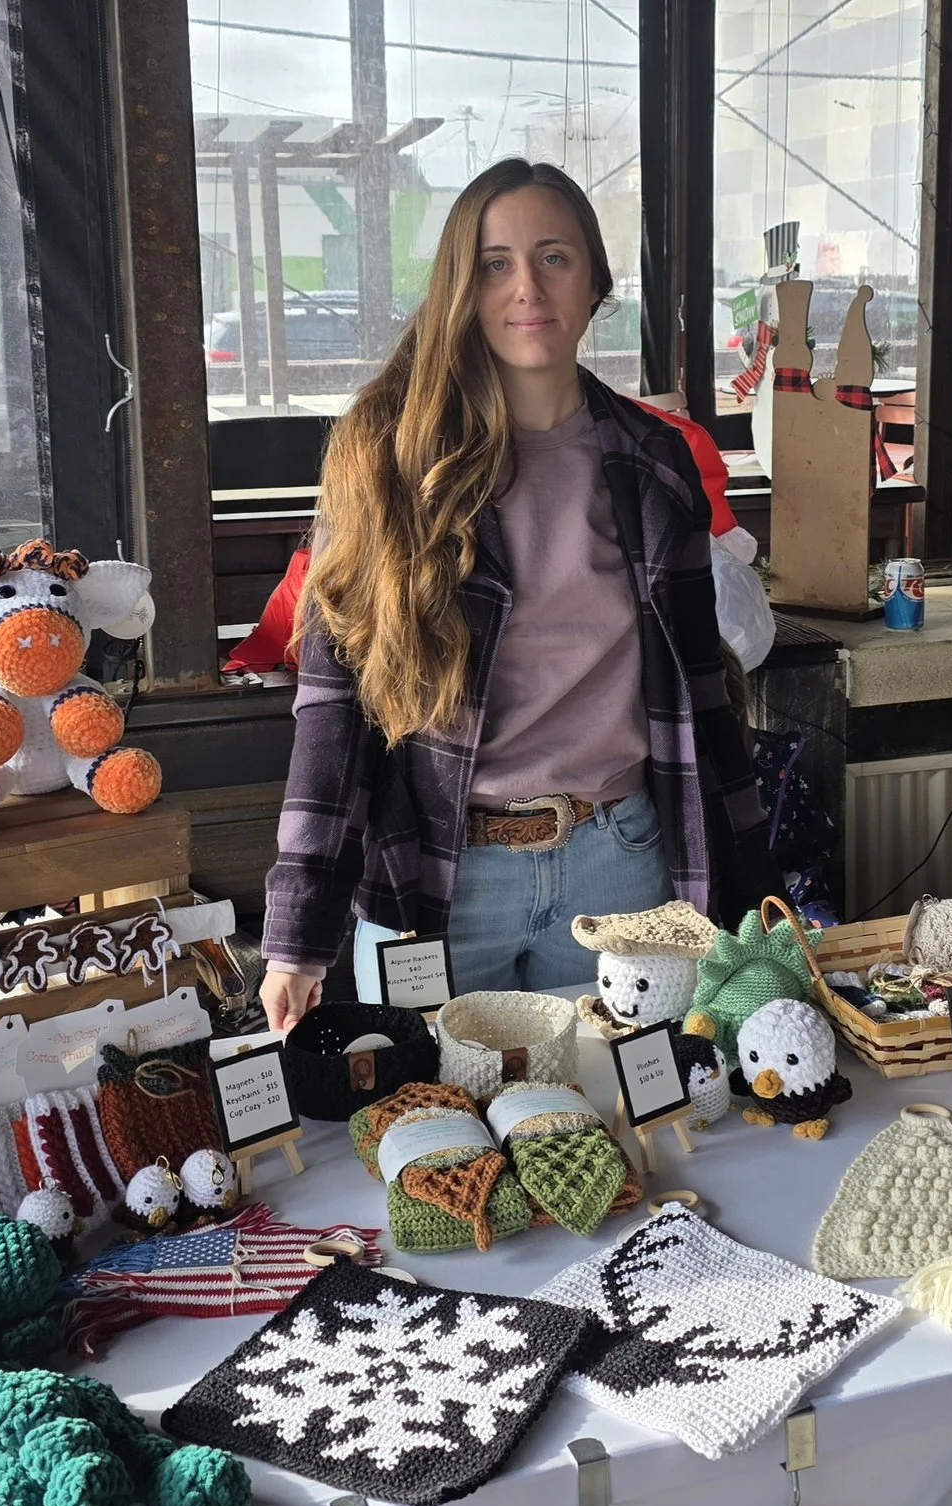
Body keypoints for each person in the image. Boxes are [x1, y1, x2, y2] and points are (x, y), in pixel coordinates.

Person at [258, 159, 776, 1029]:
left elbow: (705, 698)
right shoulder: (387, 456)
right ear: (463, 284)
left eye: (555, 257)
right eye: (496, 263)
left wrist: (759, 898)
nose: (527, 288)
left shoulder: (656, 463)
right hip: (441, 874)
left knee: (625, 1116)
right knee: (438, 1130)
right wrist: (296, 933)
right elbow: (332, 703)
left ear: (596, 280)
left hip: (622, 861)